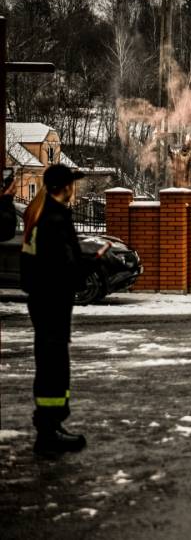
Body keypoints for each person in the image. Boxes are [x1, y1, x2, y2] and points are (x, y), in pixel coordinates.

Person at [20, 164, 91, 456]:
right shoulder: (54, 219)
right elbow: (62, 267)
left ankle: (52, 426)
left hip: (44, 300)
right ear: (65, 188)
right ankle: (48, 432)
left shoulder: (41, 215)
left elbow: (33, 269)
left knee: (51, 361)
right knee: (53, 364)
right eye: (73, 183)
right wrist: (86, 269)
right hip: (53, 301)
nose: (75, 188)